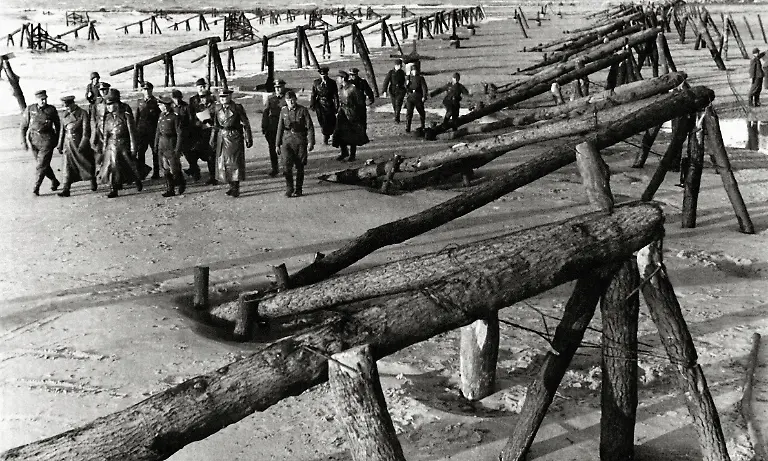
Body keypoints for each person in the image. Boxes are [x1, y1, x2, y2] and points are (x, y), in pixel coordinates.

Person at [100, 89, 143, 198]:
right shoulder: (108, 118)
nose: (108, 107)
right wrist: (104, 148)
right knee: (112, 167)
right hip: (111, 145)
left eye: (111, 104)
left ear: (116, 104)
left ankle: (138, 180)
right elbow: (106, 134)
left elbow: (132, 133)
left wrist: (134, 148)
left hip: (123, 144)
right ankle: (113, 188)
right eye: (107, 105)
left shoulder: (125, 116)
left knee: (130, 165)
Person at [211, 88, 253, 197]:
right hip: (222, 136)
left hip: (234, 136)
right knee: (223, 163)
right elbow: (215, 125)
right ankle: (230, 185)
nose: (223, 99)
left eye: (225, 97)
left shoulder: (237, 108)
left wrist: (248, 137)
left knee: (234, 163)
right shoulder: (217, 108)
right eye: (221, 97)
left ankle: (236, 187)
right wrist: (213, 138)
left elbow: (245, 123)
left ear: (230, 96)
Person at [21, 90, 61, 195]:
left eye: (45, 99)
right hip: (34, 140)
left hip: (47, 140)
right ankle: (54, 180)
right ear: (36, 99)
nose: (43, 101)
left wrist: (58, 141)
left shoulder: (51, 109)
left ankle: (36, 187)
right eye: (41, 99)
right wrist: (23, 141)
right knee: (44, 164)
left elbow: (58, 126)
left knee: (41, 165)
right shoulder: (30, 109)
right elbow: (23, 127)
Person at [276, 90, 315, 197]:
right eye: (288, 100)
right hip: (287, 141)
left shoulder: (302, 110)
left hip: (300, 141)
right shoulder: (283, 111)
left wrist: (311, 142)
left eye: (292, 100)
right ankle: (289, 188)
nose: (290, 102)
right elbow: (280, 128)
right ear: (286, 101)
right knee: (286, 166)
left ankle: (298, 189)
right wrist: (277, 144)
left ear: (295, 99)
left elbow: (310, 127)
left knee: (300, 166)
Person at [57, 95, 96, 197]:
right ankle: (66, 188)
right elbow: (62, 132)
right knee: (67, 166)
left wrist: (84, 142)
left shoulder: (82, 113)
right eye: (65, 107)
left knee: (85, 162)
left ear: (73, 104)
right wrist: (60, 145)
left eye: (68, 106)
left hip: (79, 143)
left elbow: (86, 131)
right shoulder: (64, 115)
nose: (67, 108)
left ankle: (92, 179)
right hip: (68, 144)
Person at [333, 70, 369, 162]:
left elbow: (360, 103)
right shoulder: (341, 88)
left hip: (352, 114)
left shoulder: (353, 89)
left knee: (352, 135)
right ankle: (344, 152)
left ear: (342, 78)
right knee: (339, 133)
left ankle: (352, 155)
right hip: (342, 114)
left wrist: (358, 115)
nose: (337, 80)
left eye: (338, 78)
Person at [187, 78, 217, 184]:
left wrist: (209, 121)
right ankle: (195, 171)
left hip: (208, 130)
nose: (201, 89)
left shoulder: (212, 98)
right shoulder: (193, 99)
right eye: (199, 87)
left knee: (210, 154)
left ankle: (213, 176)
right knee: (193, 152)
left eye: (203, 87)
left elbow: (215, 112)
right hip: (196, 130)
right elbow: (190, 114)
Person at [154, 96, 186, 197]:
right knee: (165, 169)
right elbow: (158, 131)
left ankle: (181, 182)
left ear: (167, 106)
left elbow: (179, 133)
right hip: (162, 145)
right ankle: (170, 189)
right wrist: (156, 144)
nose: (161, 107)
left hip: (171, 144)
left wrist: (178, 148)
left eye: (162, 105)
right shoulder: (161, 115)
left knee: (175, 169)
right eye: (160, 105)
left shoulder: (175, 117)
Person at [135, 81, 162, 179]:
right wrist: (135, 130)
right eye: (145, 90)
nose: (147, 92)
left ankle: (156, 172)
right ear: (142, 91)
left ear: (152, 90)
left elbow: (160, 117)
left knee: (155, 152)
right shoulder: (140, 102)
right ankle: (142, 173)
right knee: (141, 152)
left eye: (148, 90)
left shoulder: (156, 102)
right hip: (141, 131)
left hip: (153, 131)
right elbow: (137, 117)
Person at [261, 79, 287, 177]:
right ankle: (275, 168)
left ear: (284, 87)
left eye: (280, 87)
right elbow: (265, 114)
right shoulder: (271, 99)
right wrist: (264, 127)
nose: (278, 89)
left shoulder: (287, 99)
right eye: (276, 88)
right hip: (272, 127)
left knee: (285, 148)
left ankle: (286, 168)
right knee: (272, 149)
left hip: (284, 127)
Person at [310, 67, 338, 145]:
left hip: (329, 104)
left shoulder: (332, 83)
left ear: (327, 74)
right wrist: (312, 104)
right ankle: (326, 134)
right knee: (322, 121)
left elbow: (335, 95)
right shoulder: (316, 83)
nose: (323, 76)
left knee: (330, 121)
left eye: (325, 74)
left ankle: (326, 136)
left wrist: (336, 106)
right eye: (322, 74)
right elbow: (313, 94)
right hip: (320, 105)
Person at [405, 66, 429, 133]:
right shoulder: (409, 78)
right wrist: (406, 85)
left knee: (421, 112)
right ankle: (408, 127)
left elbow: (424, 88)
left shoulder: (420, 78)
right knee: (409, 113)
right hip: (410, 97)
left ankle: (422, 125)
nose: (414, 72)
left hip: (418, 97)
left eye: (415, 70)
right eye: (413, 71)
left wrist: (424, 96)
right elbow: (406, 88)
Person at [382, 59, 406, 123]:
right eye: (400, 65)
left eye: (401, 66)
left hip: (401, 90)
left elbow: (405, 81)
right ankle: (396, 115)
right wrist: (384, 91)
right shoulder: (391, 72)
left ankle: (397, 118)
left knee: (398, 103)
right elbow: (386, 81)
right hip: (392, 90)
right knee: (394, 104)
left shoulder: (402, 72)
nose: (401, 67)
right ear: (396, 65)